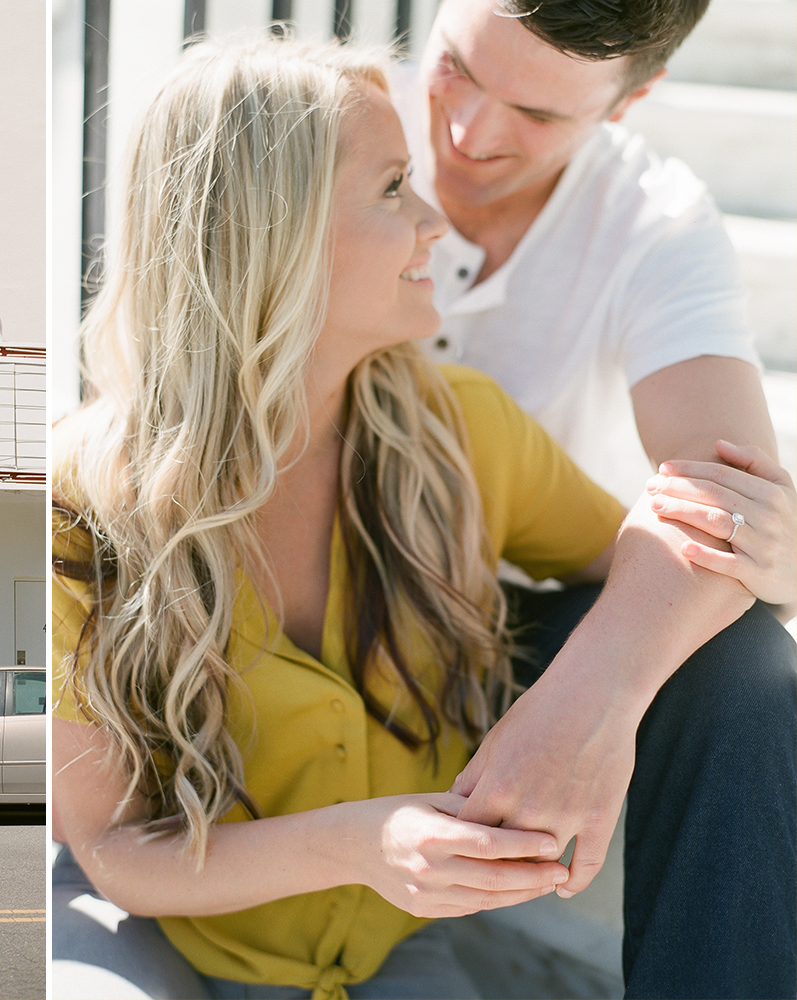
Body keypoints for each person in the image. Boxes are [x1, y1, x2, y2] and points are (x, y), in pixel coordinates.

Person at [51, 36, 782, 1000]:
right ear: (277, 235)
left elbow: (664, 564)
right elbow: (113, 848)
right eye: (395, 187)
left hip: (384, 951)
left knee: (748, 657)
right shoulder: (83, 497)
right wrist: (366, 843)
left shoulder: (461, 429)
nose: (436, 218)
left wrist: (743, 570)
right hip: (168, 938)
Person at [387, 0, 797, 991]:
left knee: (746, 671)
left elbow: (733, 504)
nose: (468, 133)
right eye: (456, 68)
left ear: (631, 100)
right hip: (314, 594)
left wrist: (593, 694)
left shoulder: (652, 217)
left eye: (534, 113)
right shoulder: (347, 121)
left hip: (525, 618)